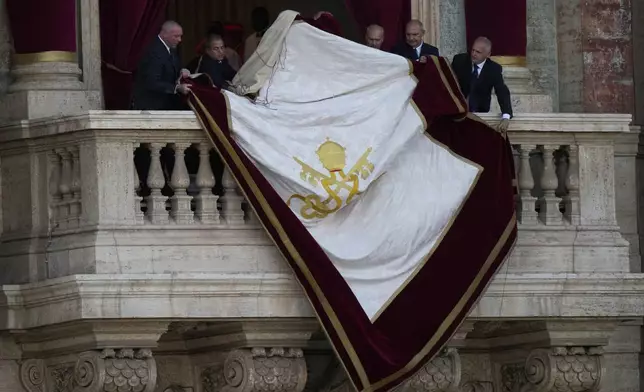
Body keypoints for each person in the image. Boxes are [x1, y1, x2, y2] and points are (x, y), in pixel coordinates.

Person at [451, 36, 512, 132]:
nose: (473, 54)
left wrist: (506, 116)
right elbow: (449, 83)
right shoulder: (459, 61)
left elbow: (502, 91)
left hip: (481, 114)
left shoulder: (494, 69)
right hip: (458, 115)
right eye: (473, 50)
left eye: (478, 52)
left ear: (488, 54)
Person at [132, 21, 191, 110]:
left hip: (166, 104)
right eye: (176, 36)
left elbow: (169, 69)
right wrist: (177, 88)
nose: (180, 40)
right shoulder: (153, 51)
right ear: (164, 34)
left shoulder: (170, 47)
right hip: (152, 106)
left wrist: (182, 71)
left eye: (180, 36)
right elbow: (152, 82)